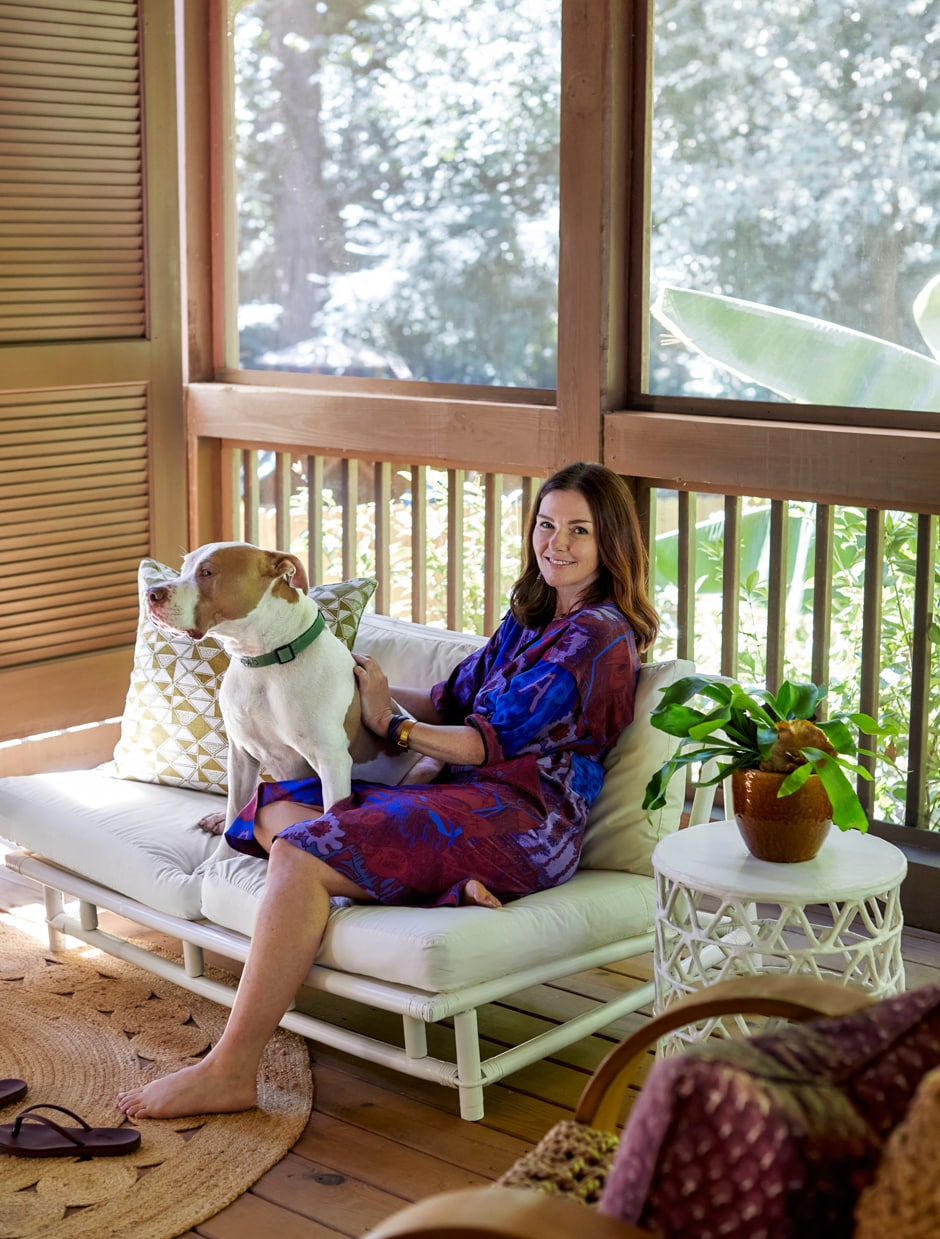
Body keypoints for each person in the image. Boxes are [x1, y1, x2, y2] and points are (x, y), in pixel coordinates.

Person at [117, 461, 659, 1120]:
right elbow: (446, 698)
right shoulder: (532, 614)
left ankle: (231, 1068)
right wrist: (342, 675)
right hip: (457, 798)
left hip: (526, 819)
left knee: (297, 849)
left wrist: (395, 729)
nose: (558, 543)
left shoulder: (598, 635)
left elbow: (481, 741)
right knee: (276, 805)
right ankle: (445, 885)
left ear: (611, 544)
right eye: (547, 524)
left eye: (579, 530)